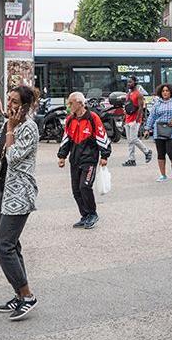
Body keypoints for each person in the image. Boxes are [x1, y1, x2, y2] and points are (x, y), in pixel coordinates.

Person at [0, 84, 40, 321]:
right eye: (9, 100)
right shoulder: (6, 124)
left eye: (14, 102)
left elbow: (13, 156)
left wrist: (11, 128)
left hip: (19, 195)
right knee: (13, 245)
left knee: (3, 247)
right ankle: (18, 295)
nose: (9, 105)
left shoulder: (29, 128)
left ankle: (27, 296)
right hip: (2, 190)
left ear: (26, 106)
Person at [57, 91, 111, 229]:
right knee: (76, 190)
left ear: (80, 103)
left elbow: (101, 136)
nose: (68, 106)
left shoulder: (93, 118)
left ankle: (92, 214)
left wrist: (104, 156)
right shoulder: (70, 119)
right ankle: (85, 215)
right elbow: (66, 139)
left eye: (71, 103)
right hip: (74, 160)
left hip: (90, 159)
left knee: (85, 186)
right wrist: (62, 156)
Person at [143, 82, 172, 181]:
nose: (165, 93)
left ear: (171, 92)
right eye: (163, 91)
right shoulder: (157, 103)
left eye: (167, 91)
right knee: (161, 153)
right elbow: (152, 116)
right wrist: (147, 129)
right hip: (159, 129)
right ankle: (163, 175)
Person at [121, 76, 152, 167]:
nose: (128, 84)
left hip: (135, 120)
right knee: (130, 141)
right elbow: (127, 107)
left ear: (135, 83)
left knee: (134, 139)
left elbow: (140, 108)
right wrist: (124, 120)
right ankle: (131, 159)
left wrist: (136, 120)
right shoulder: (128, 94)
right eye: (128, 82)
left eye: (130, 82)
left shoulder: (139, 94)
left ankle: (147, 151)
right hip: (127, 120)